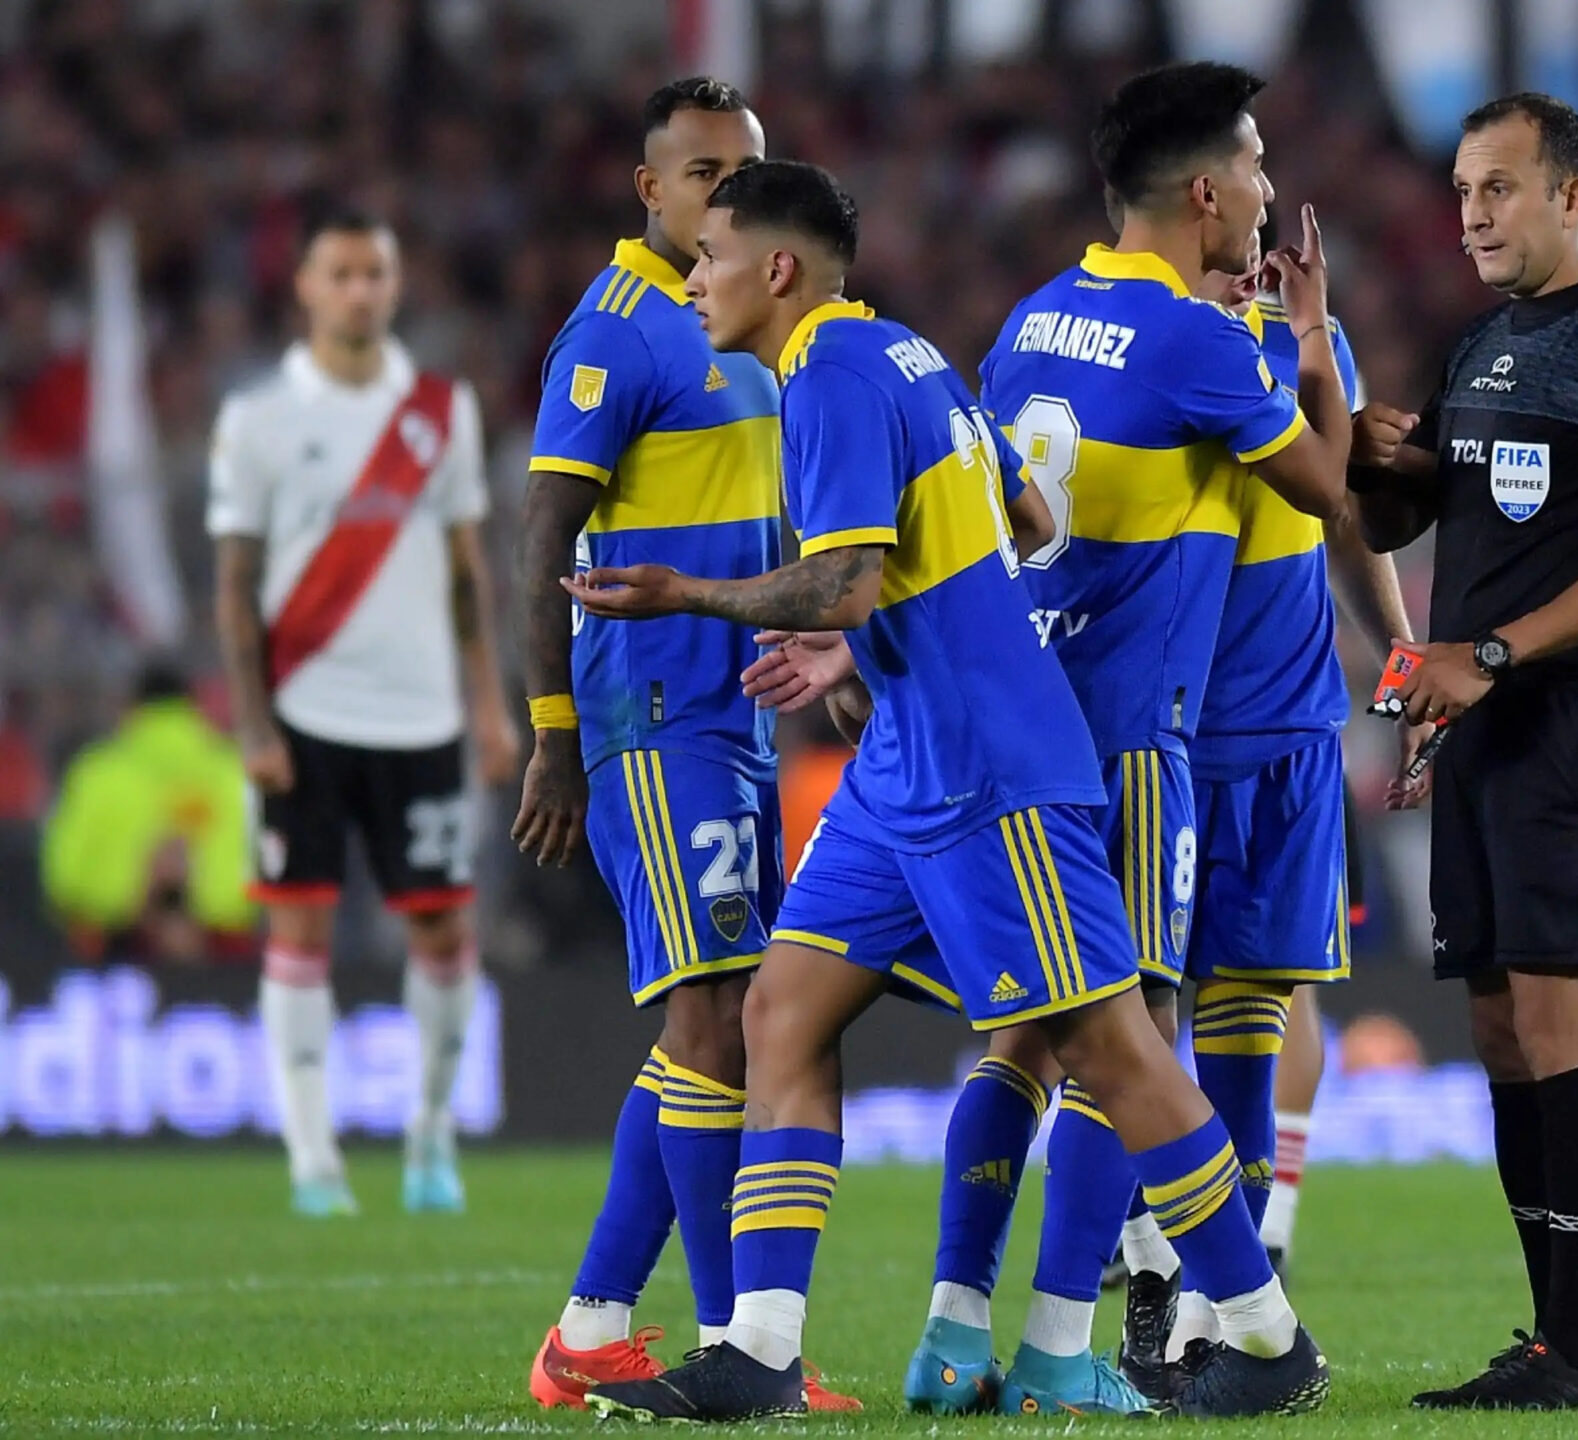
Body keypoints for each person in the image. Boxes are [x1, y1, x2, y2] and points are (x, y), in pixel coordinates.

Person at [573, 157, 1330, 1422]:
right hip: (903, 761)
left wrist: (689, 594)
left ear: (777, 270)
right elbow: (1021, 517)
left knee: (1105, 1046)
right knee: (781, 1012)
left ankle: (1265, 1335)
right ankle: (760, 1347)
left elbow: (849, 581)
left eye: (707, 255)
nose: (689, 277)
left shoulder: (826, 379)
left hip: (988, 764)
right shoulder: (904, 354)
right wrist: (868, 641)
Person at [894, 62, 1356, 1417]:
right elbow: (1327, 492)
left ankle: (952, 1325)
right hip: (1138, 732)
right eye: (1259, 166)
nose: (1270, 191)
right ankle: (1065, 1343)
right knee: (1136, 1032)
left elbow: (991, 515)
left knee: (1023, 1041)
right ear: (1206, 190)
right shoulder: (1202, 341)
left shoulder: (1035, 319)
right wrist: (1315, 347)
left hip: (1016, 714)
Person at [1350, 93, 1578, 1411]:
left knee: (1562, 1021)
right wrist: (1367, 454)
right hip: (1484, 730)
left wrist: (1488, 657)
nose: (1473, 215)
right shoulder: (1483, 347)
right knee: (1501, 1026)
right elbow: (1414, 512)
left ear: (1573, 195)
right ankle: (1552, 1335)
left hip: (1575, 725)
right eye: (1461, 191)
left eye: (1499, 188)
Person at [508, 78, 853, 1414]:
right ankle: (733, 1345)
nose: (725, 189)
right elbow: (542, 532)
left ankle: (596, 1323)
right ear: (648, 189)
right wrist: (551, 732)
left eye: (744, 168)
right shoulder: (620, 333)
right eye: (701, 171)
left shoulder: (750, 320)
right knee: (715, 1016)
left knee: (717, 1023)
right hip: (651, 717)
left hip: (739, 716)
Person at [1114, 228, 1415, 1390]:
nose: (1256, 236)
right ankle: (1146, 1252)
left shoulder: (1314, 342)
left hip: (1292, 740)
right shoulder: (1148, 348)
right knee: (1129, 1007)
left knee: (1263, 999)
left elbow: (1342, 515)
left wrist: (1399, 655)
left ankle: (1221, 1277)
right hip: (1167, 738)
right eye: (1238, 201)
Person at [208, 206, 514, 1219]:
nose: (360, 291)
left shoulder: (440, 409)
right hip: (302, 714)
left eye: (375, 273)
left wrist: (488, 703)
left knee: (441, 929)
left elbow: (469, 567)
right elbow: (236, 583)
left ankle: (429, 1136)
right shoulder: (257, 421)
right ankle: (313, 1157)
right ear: (303, 285)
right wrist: (251, 723)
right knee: (299, 930)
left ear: (395, 283)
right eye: (340, 273)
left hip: (422, 715)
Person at [40, 661, 256, 960]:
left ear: (131, 707)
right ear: (193, 707)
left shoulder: (96, 772)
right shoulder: (234, 770)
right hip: (226, 947)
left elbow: (64, 876)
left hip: (115, 946)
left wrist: (128, 894)